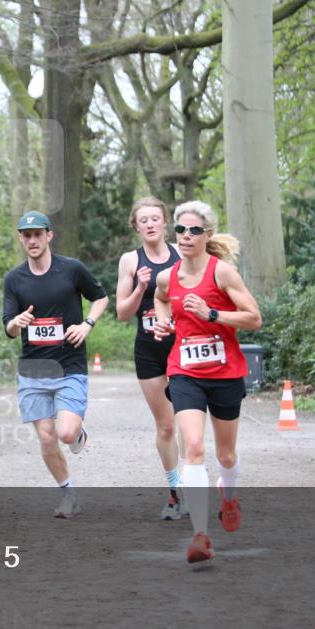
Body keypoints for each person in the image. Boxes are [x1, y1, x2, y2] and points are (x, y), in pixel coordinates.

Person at [152, 200, 262, 563]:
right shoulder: (168, 276)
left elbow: (253, 318)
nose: (185, 236)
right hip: (184, 371)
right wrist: (164, 322)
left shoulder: (223, 273)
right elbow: (160, 297)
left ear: (207, 235)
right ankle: (200, 533)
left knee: (225, 453)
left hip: (226, 371)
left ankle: (228, 497)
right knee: (194, 447)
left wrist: (213, 313)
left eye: (193, 230)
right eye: (180, 230)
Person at [3, 210, 109, 518]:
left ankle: (77, 433)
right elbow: (8, 328)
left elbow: (100, 297)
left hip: (69, 365)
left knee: (65, 433)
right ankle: (69, 495)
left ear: (49, 235)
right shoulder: (14, 279)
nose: (32, 240)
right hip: (33, 369)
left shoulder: (72, 269)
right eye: (26, 235)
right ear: (21, 239)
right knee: (47, 437)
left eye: (38, 234)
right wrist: (17, 322)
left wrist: (87, 324)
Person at [115, 196, 185, 520]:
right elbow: (122, 314)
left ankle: (193, 481)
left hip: (181, 346)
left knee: (188, 421)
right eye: (144, 220)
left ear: (165, 222)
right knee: (167, 425)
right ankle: (176, 494)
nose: (150, 224)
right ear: (136, 226)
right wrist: (141, 288)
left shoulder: (182, 255)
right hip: (148, 351)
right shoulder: (130, 261)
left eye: (155, 218)